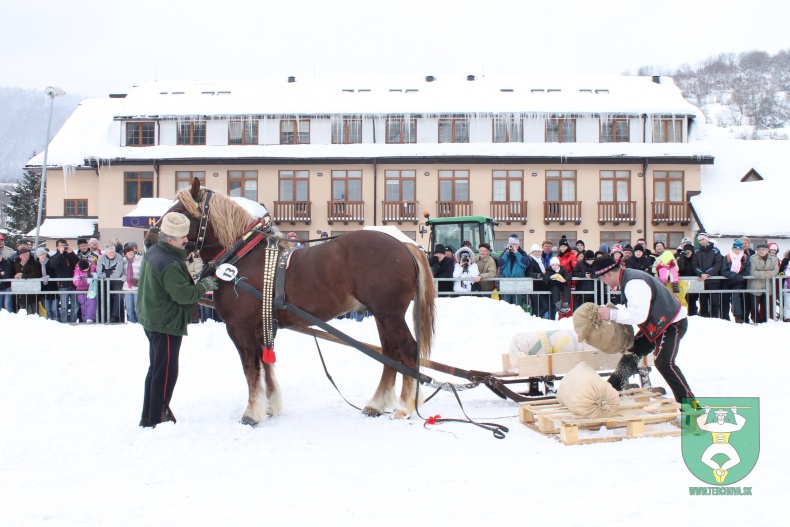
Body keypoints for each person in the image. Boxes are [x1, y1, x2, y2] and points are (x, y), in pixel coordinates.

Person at [137, 212, 219, 428]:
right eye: (182, 237)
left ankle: (149, 413)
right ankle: (157, 417)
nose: (186, 240)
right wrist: (205, 285)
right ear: (170, 238)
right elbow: (184, 295)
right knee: (166, 371)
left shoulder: (155, 251)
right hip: (166, 322)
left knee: (156, 368)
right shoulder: (170, 263)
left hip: (153, 318)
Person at [593, 255, 695, 404]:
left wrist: (611, 314)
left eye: (602, 279)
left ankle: (690, 407)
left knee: (664, 362)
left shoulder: (634, 283)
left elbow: (638, 315)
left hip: (673, 323)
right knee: (633, 352)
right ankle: (611, 390)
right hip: (659, 323)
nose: (603, 283)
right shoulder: (628, 277)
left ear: (608, 274)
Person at [692, 232, 723, 319]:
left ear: (707, 239)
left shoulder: (715, 251)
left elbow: (717, 264)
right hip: (702, 280)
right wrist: (701, 274)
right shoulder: (696, 251)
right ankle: (704, 318)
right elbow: (694, 265)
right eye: (700, 240)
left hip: (713, 279)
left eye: (703, 239)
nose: (701, 241)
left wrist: (708, 274)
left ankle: (715, 318)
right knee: (703, 301)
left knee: (714, 301)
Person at [49, 238, 80, 323]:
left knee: (75, 305)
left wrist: (71, 252)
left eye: (64, 245)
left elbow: (78, 263)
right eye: (61, 245)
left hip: (73, 284)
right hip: (63, 284)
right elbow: (53, 265)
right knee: (64, 305)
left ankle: (73, 320)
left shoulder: (70, 255)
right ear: (57, 247)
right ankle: (64, 321)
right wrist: (60, 254)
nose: (63, 247)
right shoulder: (54, 256)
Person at [747, 242, 779, 323]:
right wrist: (766, 274)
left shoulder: (774, 258)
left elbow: (775, 271)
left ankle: (766, 322)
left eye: (763, 249)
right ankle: (756, 322)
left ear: (767, 250)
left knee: (766, 306)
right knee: (754, 306)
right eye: (759, 249)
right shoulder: (752, 258)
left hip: (768, 286)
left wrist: (767, 273)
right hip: (755, 286)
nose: (761, 251)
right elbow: (752, 271)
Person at [720, 239, 751, 323]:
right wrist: (735, 275)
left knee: (736, 298)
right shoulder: (727, 257)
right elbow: (723, 271)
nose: (737, 250)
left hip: (738, 281)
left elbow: (747, 271)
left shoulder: (745, 258)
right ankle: (724, 317)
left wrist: (739, 277)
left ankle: (737, 316)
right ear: (732, 249)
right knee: (725, 299)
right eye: (735, 248)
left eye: (739, 249)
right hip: (726, 281)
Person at [497, 235, 528, 307]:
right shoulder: (505, 253)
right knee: (505, 306)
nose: (512, 246)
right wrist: (506, 253)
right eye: (511, 244)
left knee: (517, 305)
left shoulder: (522, 253)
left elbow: (525, 264)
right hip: (506, 283)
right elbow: (500, 264)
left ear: (518, 245)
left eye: (514, 244)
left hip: (518, 283)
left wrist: (517, 253)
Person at [97, 244, 125, 323]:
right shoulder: (101, 258)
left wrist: (107, 273)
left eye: (113, 252)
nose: (112, 254)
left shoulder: (119, 257)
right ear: (105, 253)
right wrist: (110, 272)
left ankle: (115, 316)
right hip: (104, 281)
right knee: (104, 296)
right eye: (110, 252)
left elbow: (118, 273)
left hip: (116, 280)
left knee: (118, 296)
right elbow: (99, 273)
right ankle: (104, 316)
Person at [12, 247, 42, 313]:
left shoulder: (34, 263)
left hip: (33, 291)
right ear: (20, 256)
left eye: (27, 254)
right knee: (23, 311)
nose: (26, 256)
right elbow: (13, 273)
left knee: (35, 311)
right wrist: (15, 276)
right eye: (24, 255)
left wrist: (23, 276)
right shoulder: (16, 264)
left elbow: (37, 275)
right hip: (22, 292)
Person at [525, 244, 549, 318]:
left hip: (541, 287)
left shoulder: (539, 261)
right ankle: (535, 318)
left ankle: (537, 318)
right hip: (535, 287)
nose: (537, 253)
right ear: (532, 252)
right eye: (535, 251)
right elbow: (529, 272)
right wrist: (537, 275)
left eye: (539, 251)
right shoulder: (531, 261)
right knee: (537, 307)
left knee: (544, 306)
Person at [122, 243, 143, 323]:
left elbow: (142, 270)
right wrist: (123, 276)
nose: (131, 253)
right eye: (128, 252)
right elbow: (122, 271)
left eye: (131, 252)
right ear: (125, 254)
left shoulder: (139, 260)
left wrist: (138, 276)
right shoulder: (123, 262)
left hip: (137, 285)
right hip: (127, 286)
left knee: (136, 306)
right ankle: (131, 321)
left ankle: (139, 321)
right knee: (129, 306)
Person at [36, 247, 59, 319]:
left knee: (54, 308)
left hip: (53, 288)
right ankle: (49, 320)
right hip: (44, 289)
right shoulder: (37, 264)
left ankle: (56, 320)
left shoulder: (50, 262)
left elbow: (55, 273)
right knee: (47, 309)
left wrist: (49, 276)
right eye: (40, 255)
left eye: (43, 254)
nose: (42, 256)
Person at [73, 259, 97, 323]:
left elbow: (98, 274)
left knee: (91, 303)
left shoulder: (93, 267)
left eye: (87, 268)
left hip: (91, 290)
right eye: (84, 269)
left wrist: (95, 276)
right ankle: (84, 319)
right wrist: (85, 281)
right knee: (83, 305)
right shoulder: (77, 271)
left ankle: (90, 319)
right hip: (81, 290)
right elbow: (75, 281)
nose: (86, 270)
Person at [677, 243, 698, 316]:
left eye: (689, 251)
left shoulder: (695, 259)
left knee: (692, 301)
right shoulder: (681, 259)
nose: (688, 253)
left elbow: (695, 268)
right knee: (684, 300)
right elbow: (681, 268)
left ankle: (693, 315)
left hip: (694, 283)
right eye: (686, 251)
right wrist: (682, 257)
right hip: (683, 283)